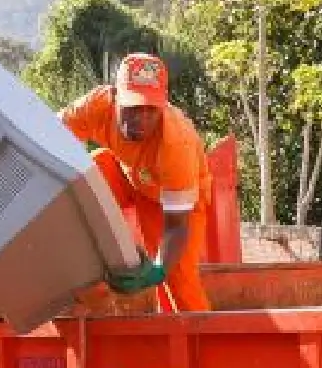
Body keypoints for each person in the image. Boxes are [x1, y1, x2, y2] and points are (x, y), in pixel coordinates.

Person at [57, 52, 212, 312]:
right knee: (86, 176)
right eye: (132, 107)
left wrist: (159, 270)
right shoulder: (95, 107)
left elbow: (177, 226)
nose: (141, 118)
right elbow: (47, 137)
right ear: (115, 98)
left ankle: (202, 346)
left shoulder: (176, 144)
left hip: (172, 199)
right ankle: (81, 273)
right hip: (128, 173)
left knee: (179, 279)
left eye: (150, 109)